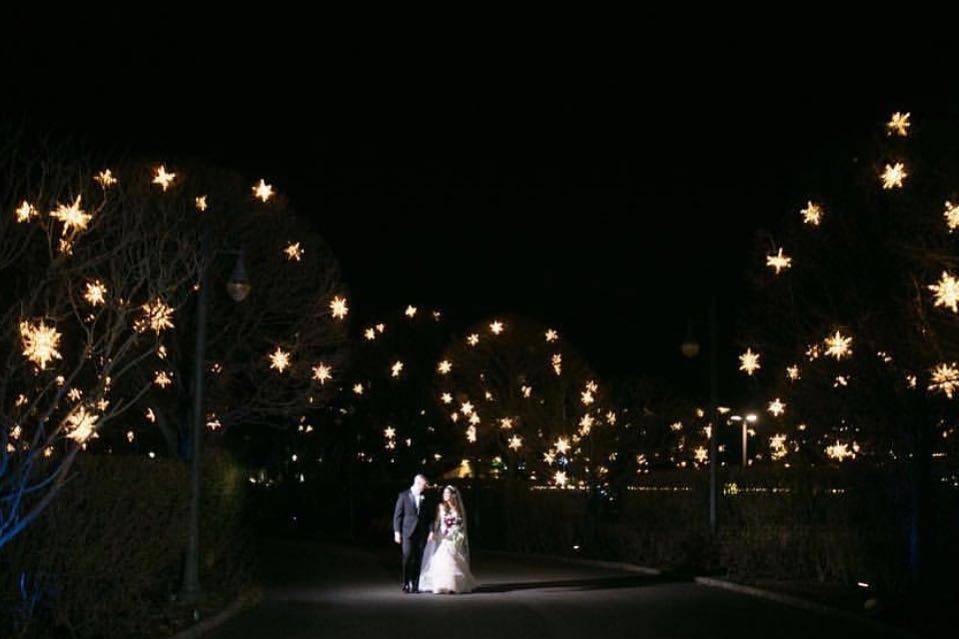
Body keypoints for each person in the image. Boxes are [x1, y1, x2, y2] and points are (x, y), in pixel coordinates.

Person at [418, 484, 476, 594]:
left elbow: (460, 523)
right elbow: (436, 521)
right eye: (444, 493)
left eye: (447, 493)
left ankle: (453, 585)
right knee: (441, 559)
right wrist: (433, 532)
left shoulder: (457, 509)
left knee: (454, 560)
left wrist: (456, 532)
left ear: (453, 495)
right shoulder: (440, 506)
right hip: (442, 537)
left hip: (452, 538)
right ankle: (440, 585)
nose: (445, 495)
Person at [393, 474, 431, 593]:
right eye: (424, 485)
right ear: (418, 483)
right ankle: (405, 582)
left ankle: (415, 585)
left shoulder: (425, 497)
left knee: (418, 559)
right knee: (408, 557)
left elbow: (428, 517)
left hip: (421, 533)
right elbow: (397, 516)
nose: (425, 487)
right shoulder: (403, 495)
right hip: (407, 533)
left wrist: (431, 531)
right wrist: (397, 532)